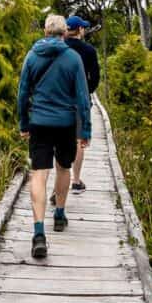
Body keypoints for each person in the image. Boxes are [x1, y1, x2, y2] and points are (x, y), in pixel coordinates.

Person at [17, 14, 92, 259]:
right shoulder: (73, 58)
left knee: (39, 174)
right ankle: (59, 214)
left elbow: (22, 93)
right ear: (64, 33)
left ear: (45, 32)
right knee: (63, 169)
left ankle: (39, 233)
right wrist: (85, 130)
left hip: (39, 122)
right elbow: (83, 97)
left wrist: (23, 123)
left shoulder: (32, 55)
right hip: (65, 124)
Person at [63, 15, 99, 195]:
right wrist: (87, 91)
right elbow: (95, 78)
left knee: (61, 140)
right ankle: (76, 181)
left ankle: (61, 180)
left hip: (61, 99)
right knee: (79, 140)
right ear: (80, 30)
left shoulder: (60, 48)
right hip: (80, 101)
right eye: (83, 28)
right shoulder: (89, 50)